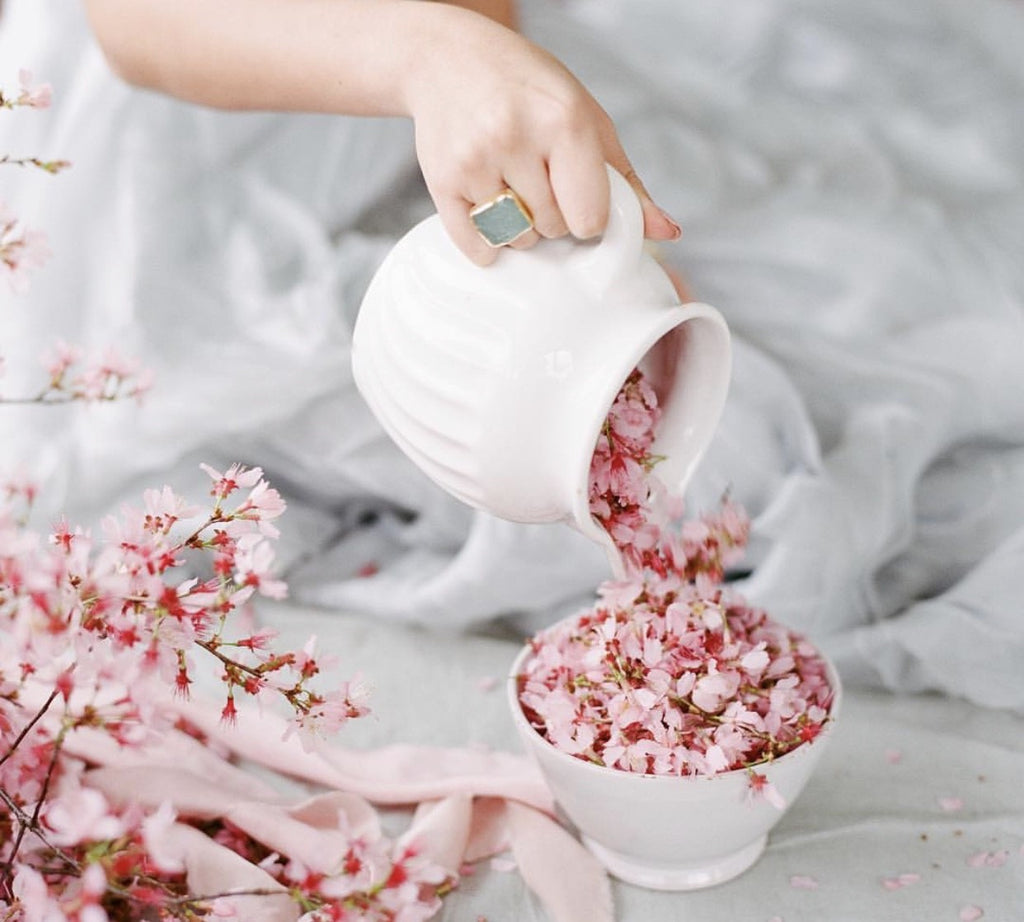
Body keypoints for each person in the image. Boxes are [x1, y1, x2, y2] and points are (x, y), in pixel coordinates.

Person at [81, 0, 681, 265]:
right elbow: (125, 22)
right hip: (188, 105)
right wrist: (432, 58)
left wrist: (497, 115)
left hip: (419, 96)